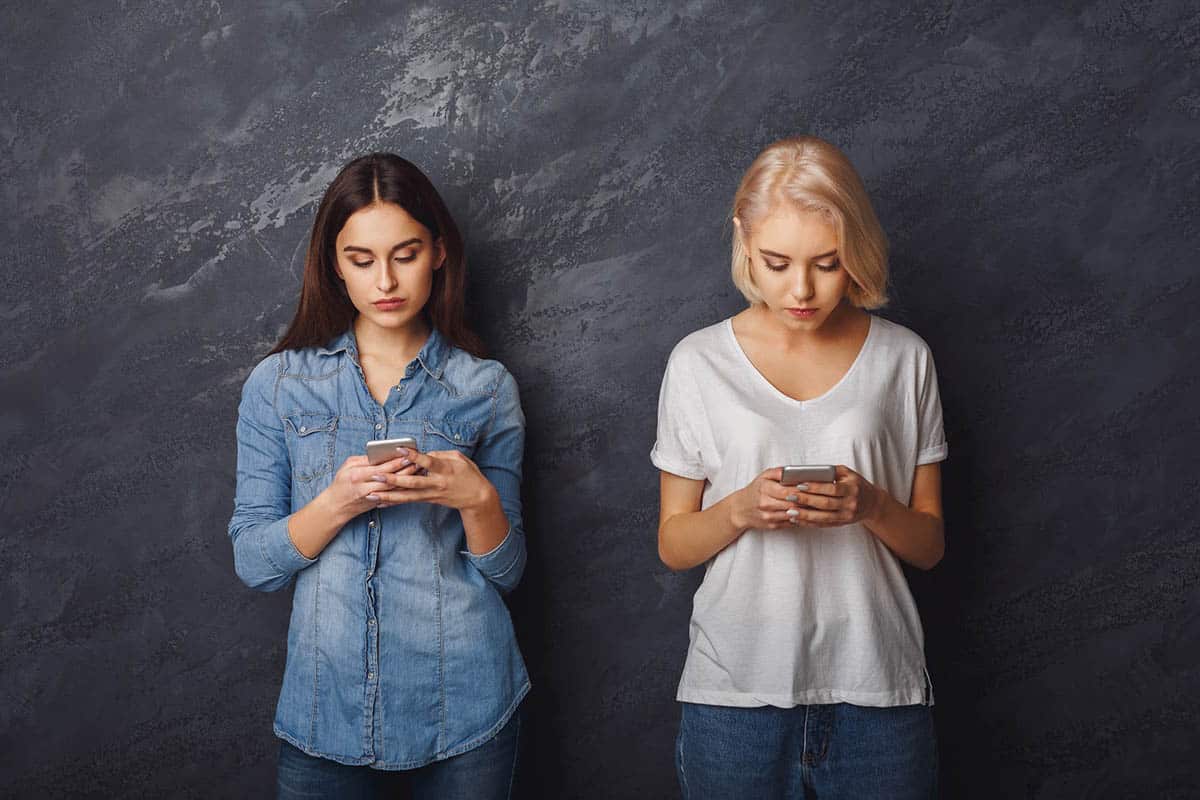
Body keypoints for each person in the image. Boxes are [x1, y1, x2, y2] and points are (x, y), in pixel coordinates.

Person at [652, 136, 947, 799]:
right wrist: (737, 510)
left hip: (879, 692)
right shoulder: (697, 363)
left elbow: (930, 546)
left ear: (857, 254)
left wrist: (869, 506)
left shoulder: (905, 360)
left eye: (828, 263)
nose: (802, 290)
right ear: (743, 239)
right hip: (734, 696)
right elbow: (673, 543)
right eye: (777, 263)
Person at [229, 153, 527, 799]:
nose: (385, 280)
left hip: (466, 706)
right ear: (334, 264)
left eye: (406, 253)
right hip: (323, 711)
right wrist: (335, 503)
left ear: (439, 253)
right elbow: (254, 561)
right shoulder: (279, 385)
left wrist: (477, 499)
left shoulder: (486, 387)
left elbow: (507, 573)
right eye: (361, 259)